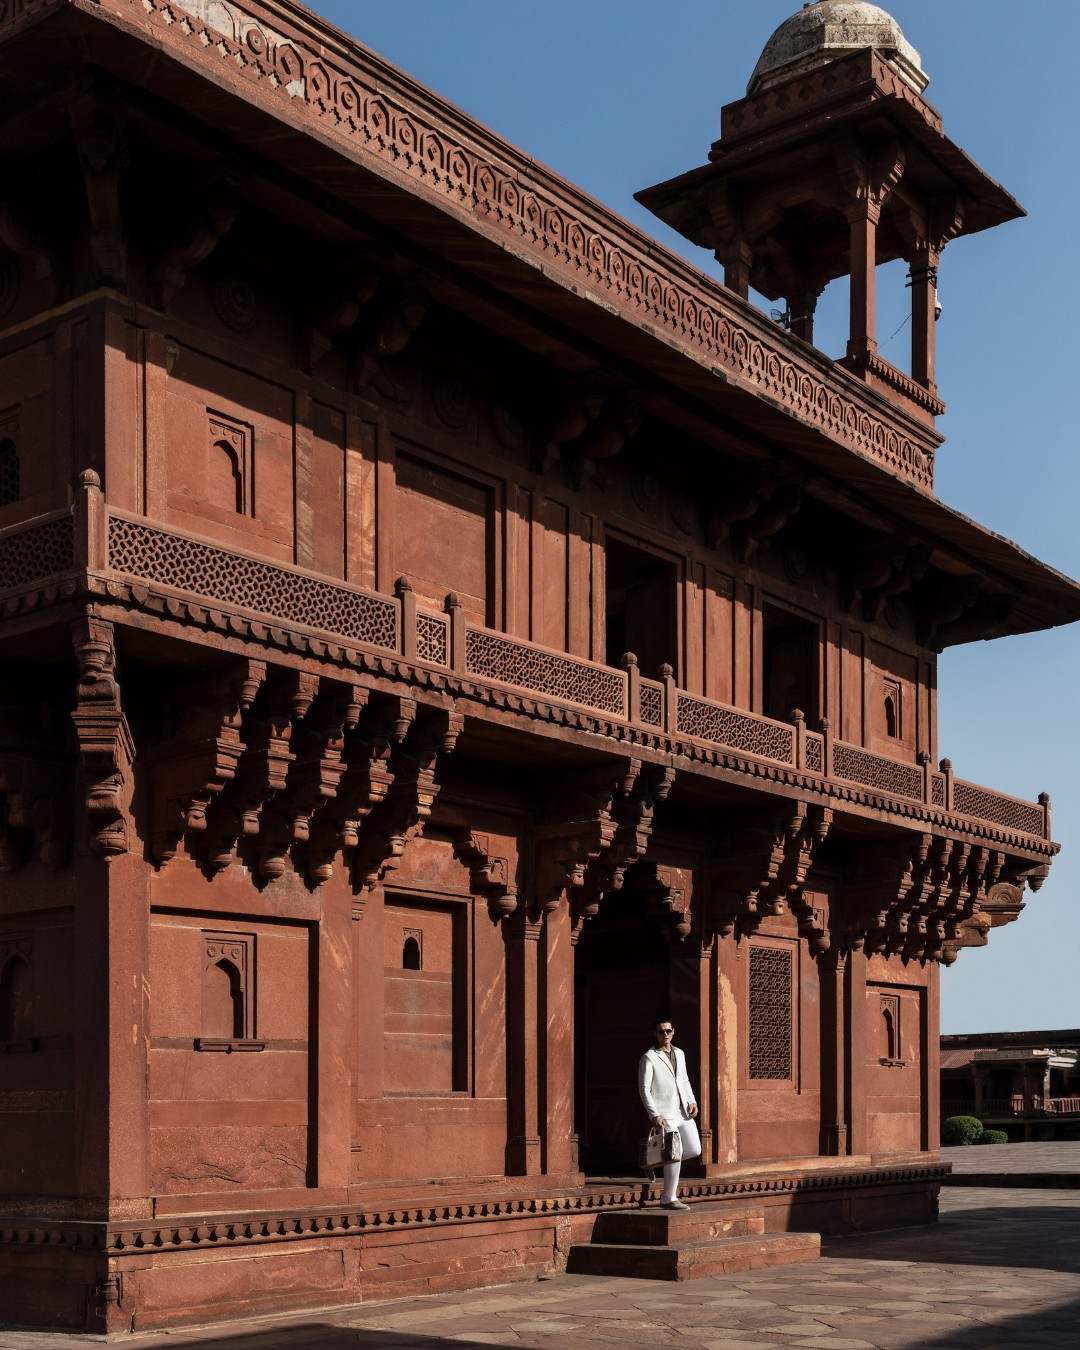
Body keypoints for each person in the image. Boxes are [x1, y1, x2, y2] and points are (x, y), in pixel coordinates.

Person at [638, 1017, 701, 1210]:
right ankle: (668, 1198)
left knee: (694, 1149)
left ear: (673, 1032)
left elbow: (684, 1080)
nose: (665, 1034)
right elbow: (644, 1088)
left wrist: (692, 1101)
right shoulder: (649, 1057)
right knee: (674, 1152)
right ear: (655, 1034)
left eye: (668, 1031)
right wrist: (654, 1114)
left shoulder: (679, 1053)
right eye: (661, 1031)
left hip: (682, 1111)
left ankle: (655, 1161)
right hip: (664, 1114)